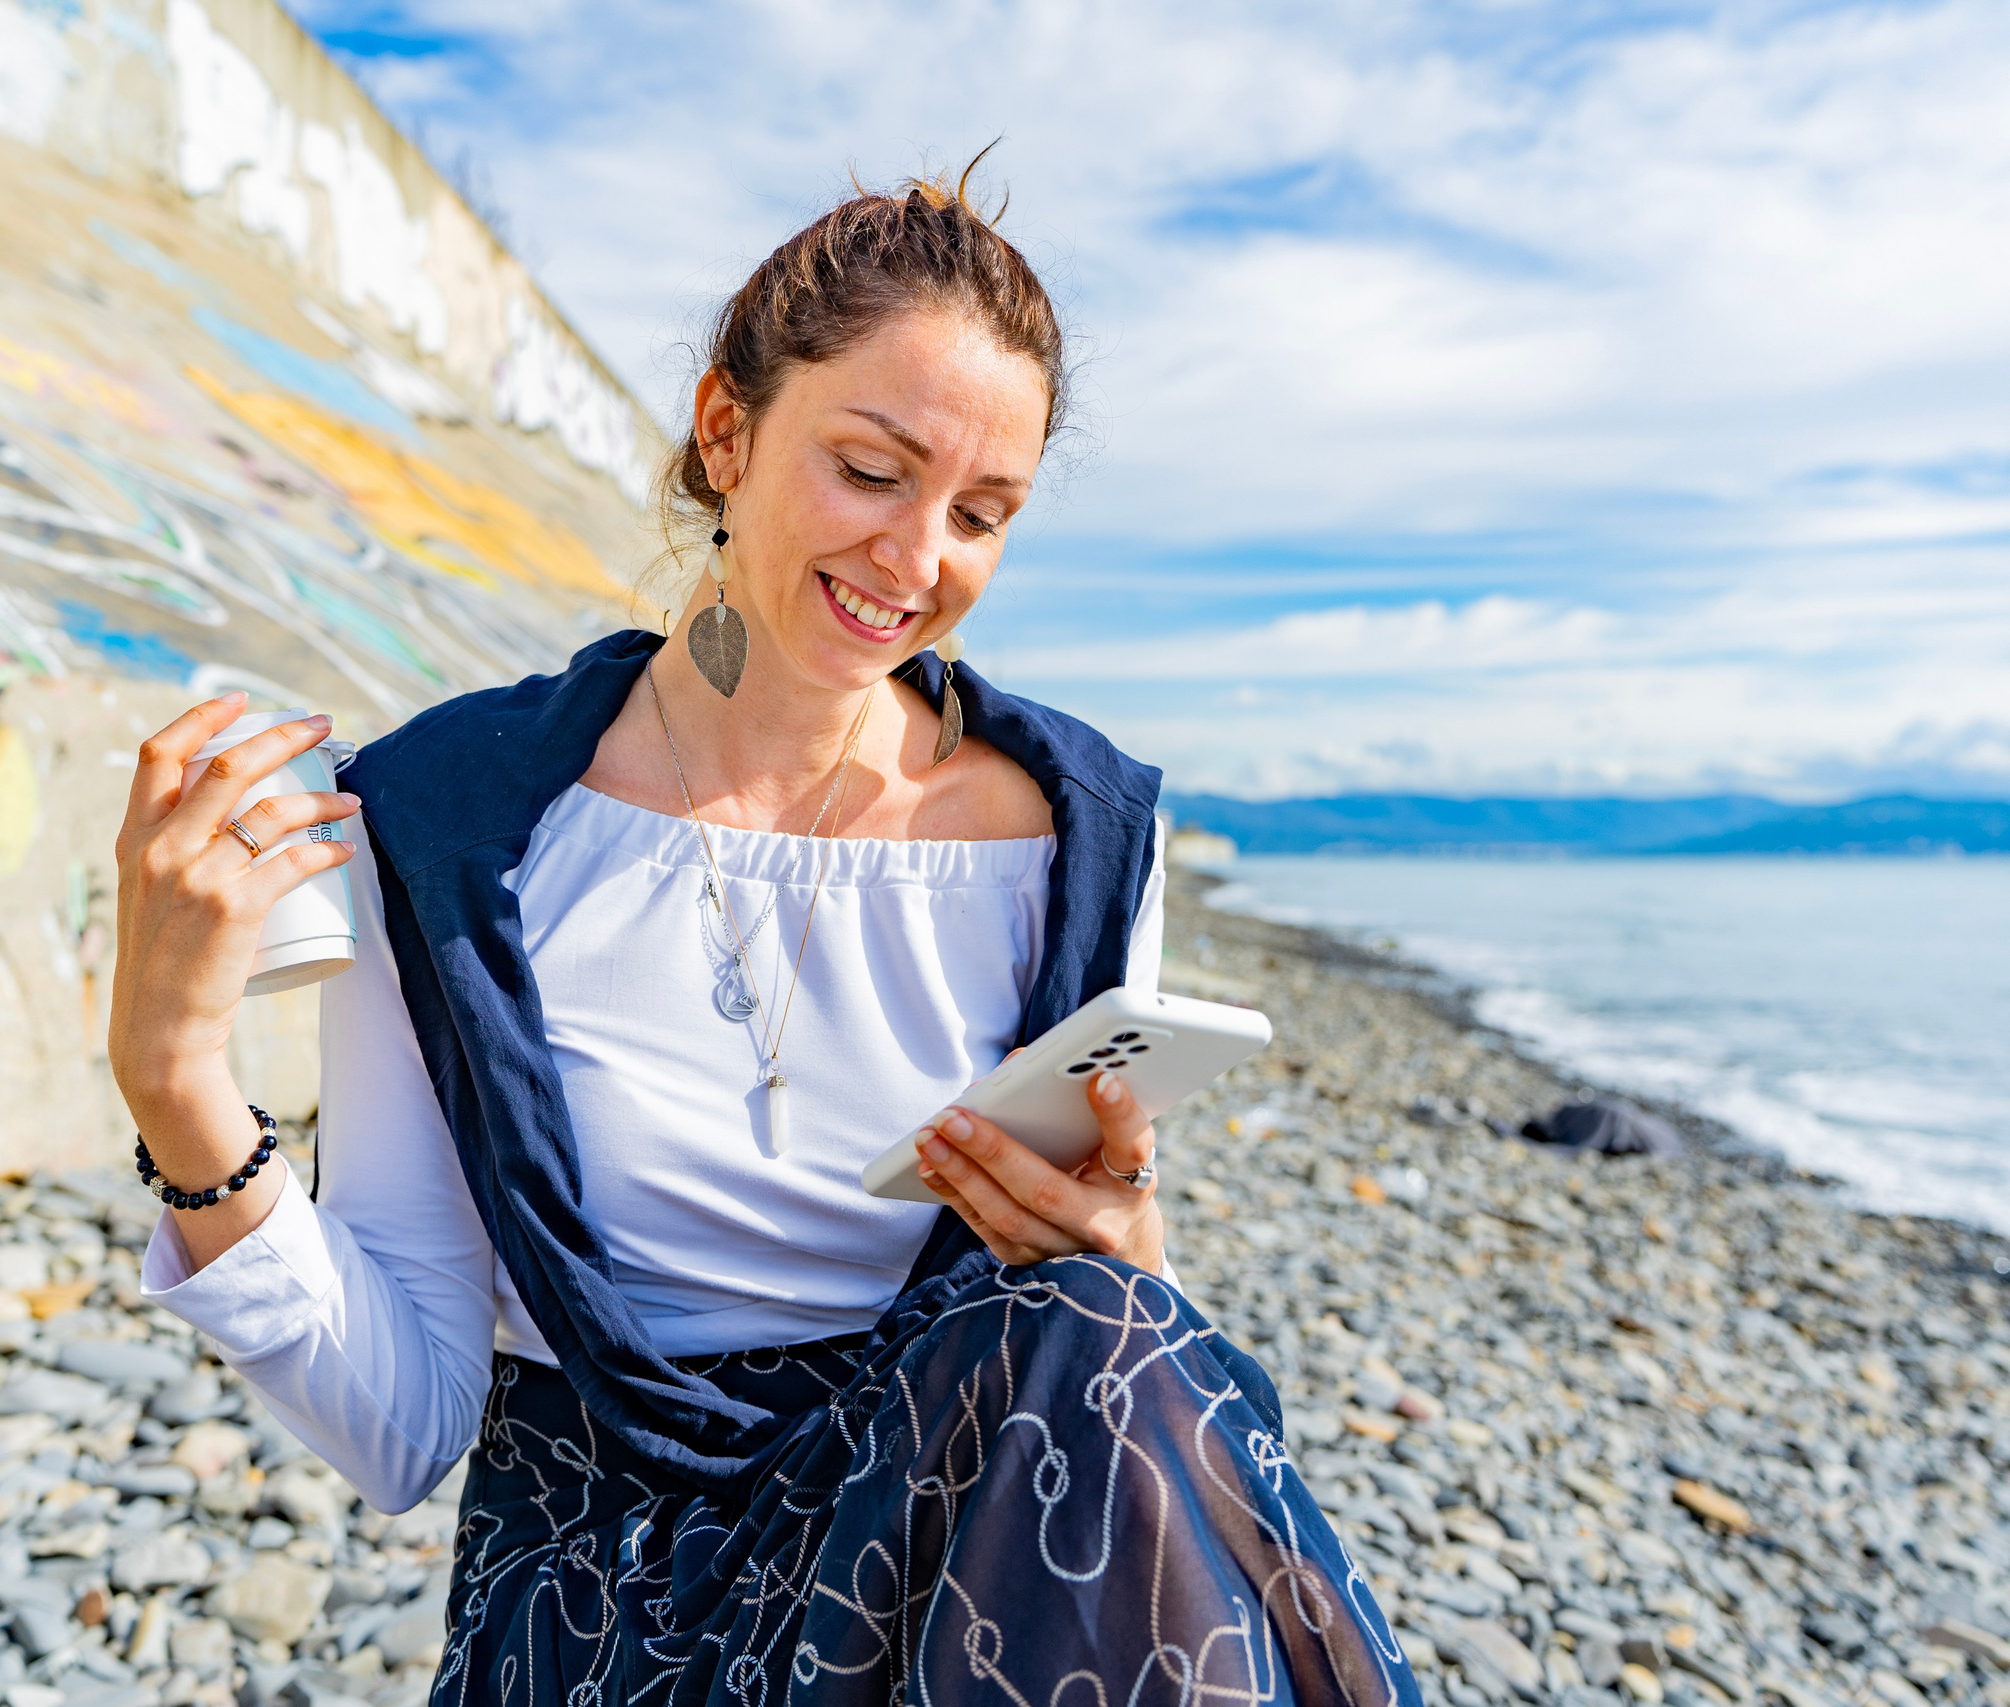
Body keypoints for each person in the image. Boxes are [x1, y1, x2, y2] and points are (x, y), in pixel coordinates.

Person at [109, 170, 1417, 1707]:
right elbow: (403, 1428)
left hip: (967, 1548)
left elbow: (1086, 1330)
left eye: (984, 514)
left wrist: (1130, 1260)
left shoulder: (1083, 837)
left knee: (1089, 1332)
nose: (919, 558)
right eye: (872, 470)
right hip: (610, 1579)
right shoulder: (456, 823)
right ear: (726, 433)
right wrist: (174, 1069)